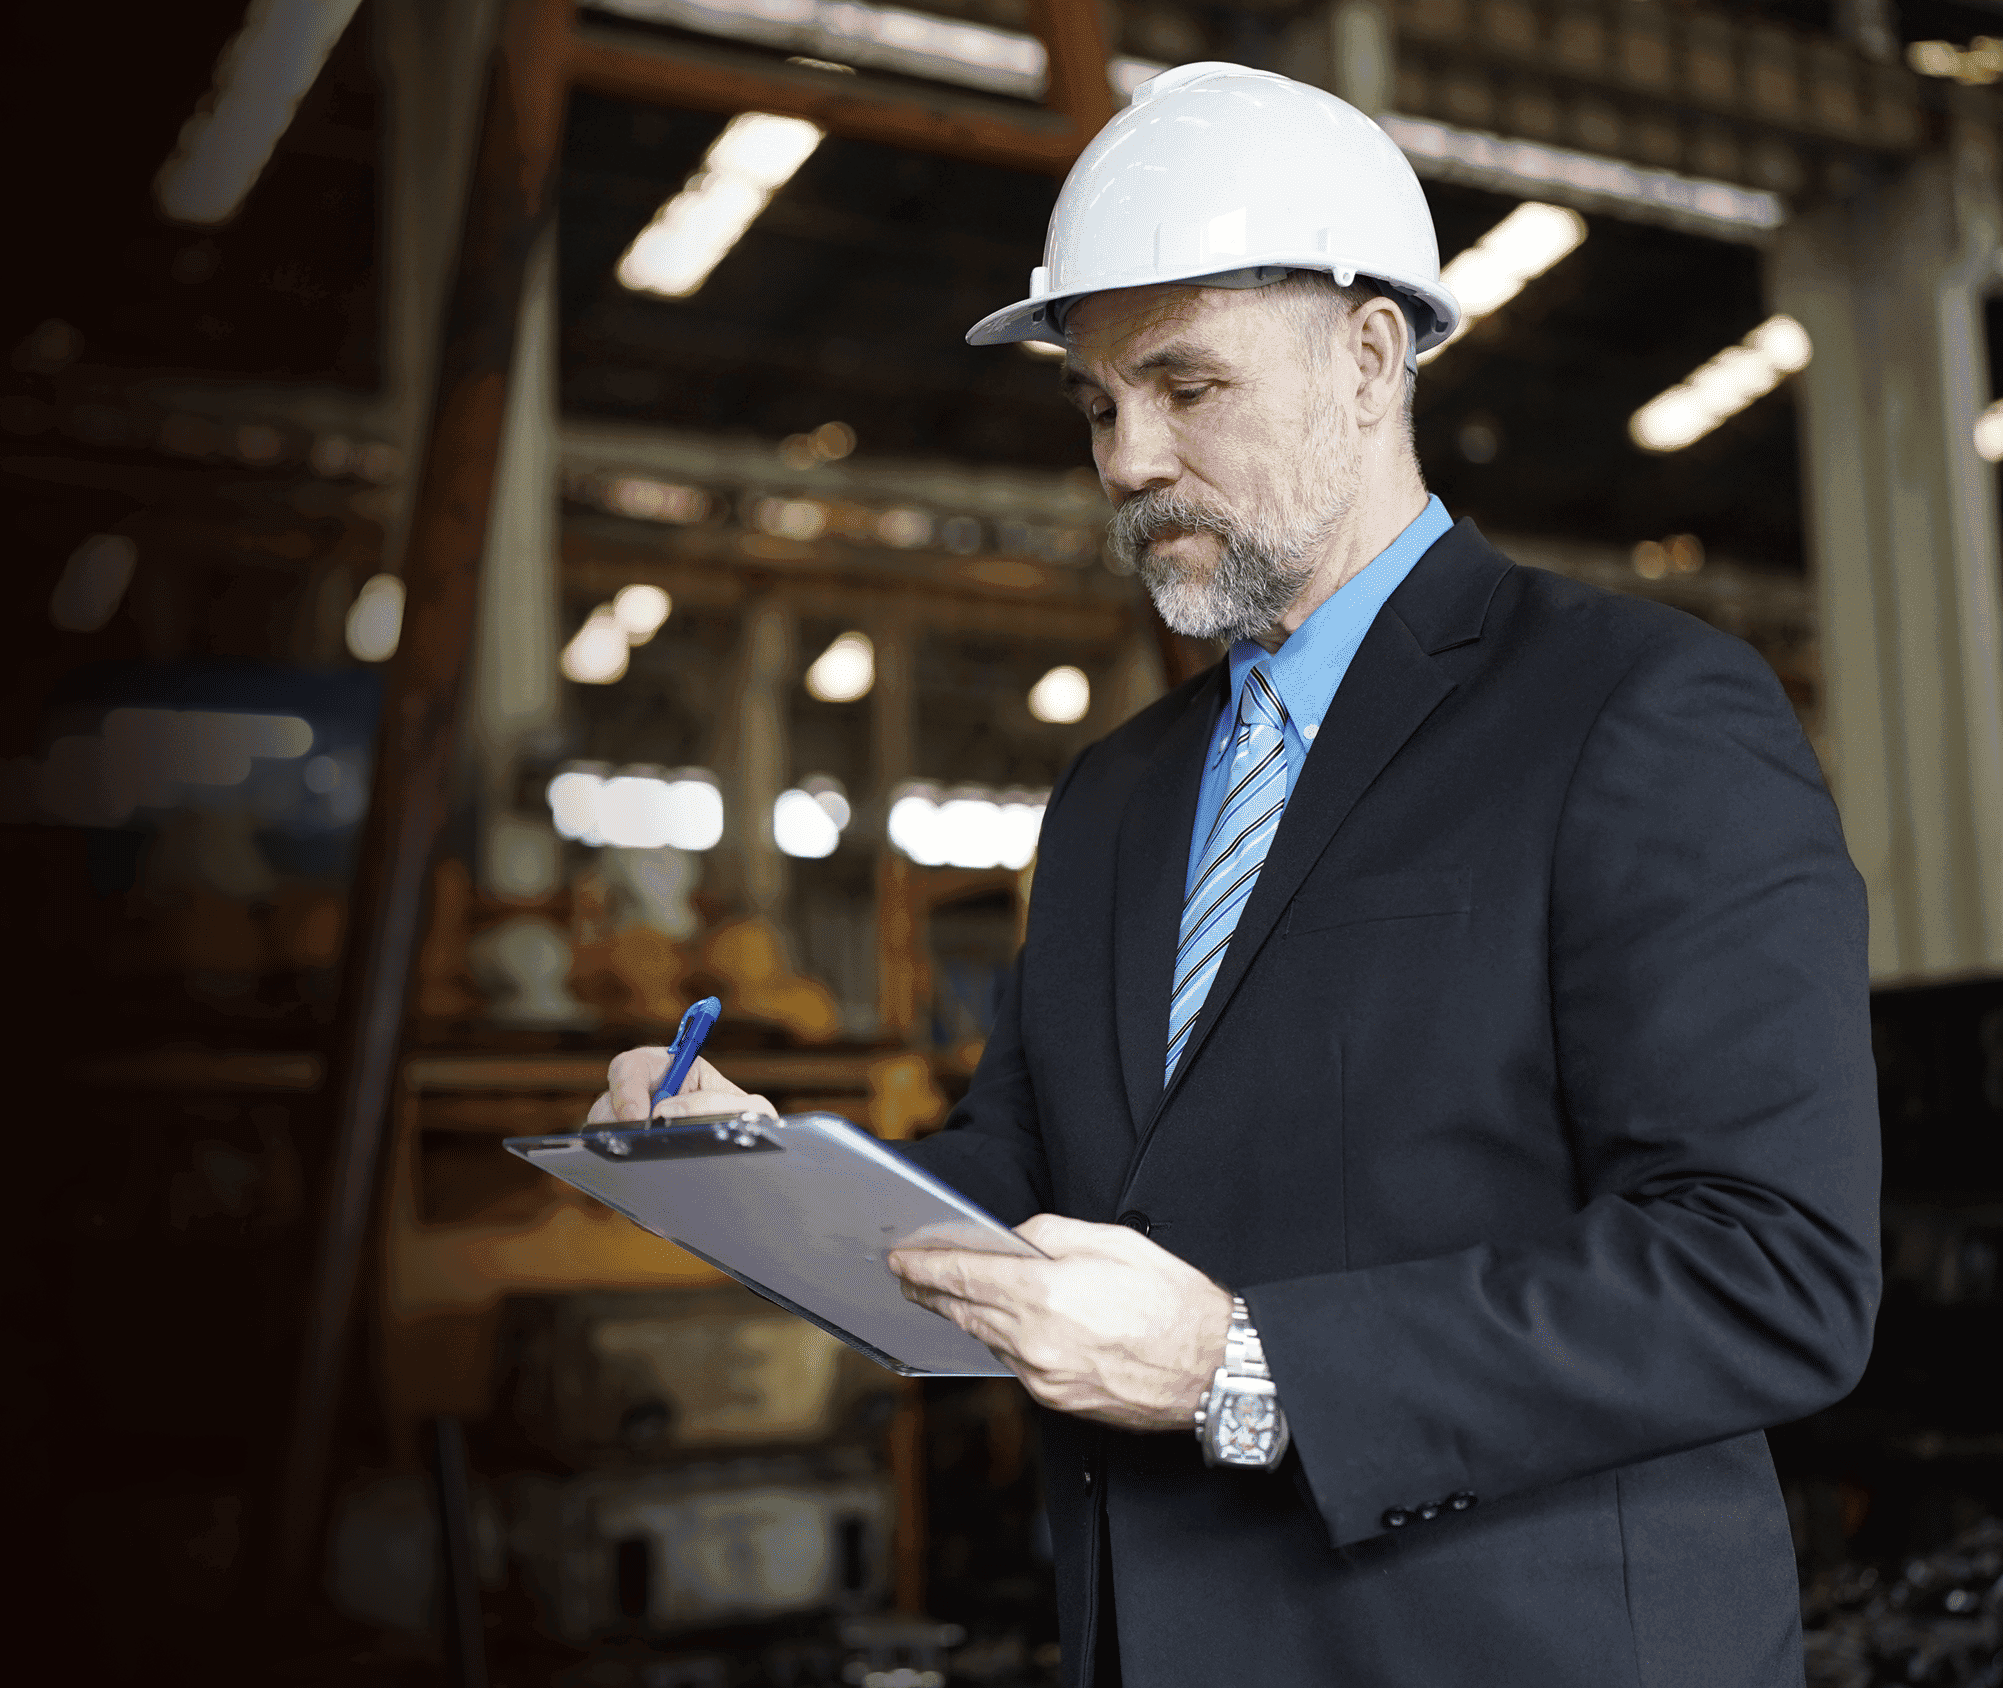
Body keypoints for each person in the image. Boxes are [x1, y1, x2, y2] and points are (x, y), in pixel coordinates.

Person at [588, 63, 1878, 1688]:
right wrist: (766, 1185)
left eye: (1186, 388)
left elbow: (1767, 1271)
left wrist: (1239, 1369)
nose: (1128, 459)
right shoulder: (1118, 800)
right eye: (1098, 405)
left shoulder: (1635, 711)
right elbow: (1034, 1174)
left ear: (1367, 355)